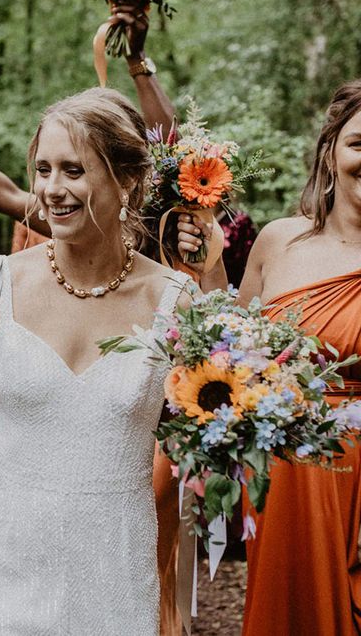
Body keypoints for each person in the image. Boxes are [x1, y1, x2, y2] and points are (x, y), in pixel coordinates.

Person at [0, 87, 191, 634]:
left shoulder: (176, 300)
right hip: (3, 560)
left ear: (126, 182)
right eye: (43, 169)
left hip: (115, 565)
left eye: (73, 170)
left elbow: (203, 433)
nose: (52, 189)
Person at [178, 80, 361, 635]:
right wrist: (209, 265)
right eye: (360, 144)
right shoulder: (280, 241)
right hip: (286, 474)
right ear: (330, 149)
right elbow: (229, 348)